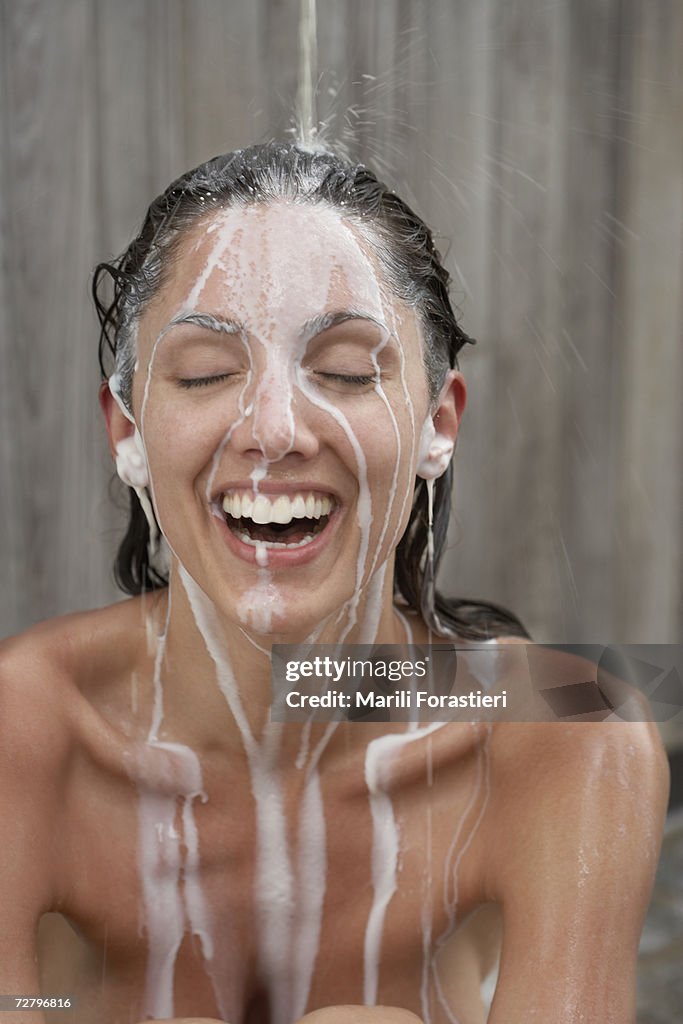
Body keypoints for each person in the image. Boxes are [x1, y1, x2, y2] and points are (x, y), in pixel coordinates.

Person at [0, 143, 668, 1024]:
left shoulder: (569, 731)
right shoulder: (27, 729)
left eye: (348, 372)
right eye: (206, 373)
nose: (274, 429)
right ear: (127, 430)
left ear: (437, 423)